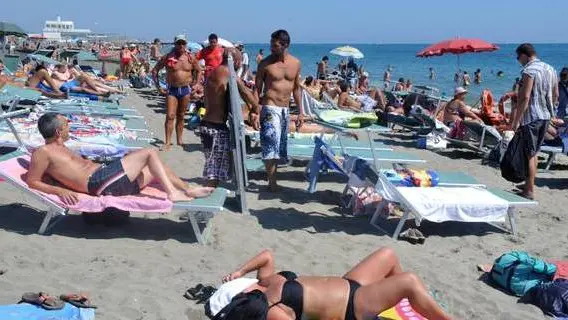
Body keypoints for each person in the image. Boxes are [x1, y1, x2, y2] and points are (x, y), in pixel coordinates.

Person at [26, 113, 214, 205]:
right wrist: (58, 190)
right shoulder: (42, 152)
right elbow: (32, 181)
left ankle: (188, 189)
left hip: (107, 178)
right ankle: (173, 193)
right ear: (58, 131)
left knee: (153, 166)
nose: (70, 127)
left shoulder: (61, 147)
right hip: (98, 183)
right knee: (149, 152)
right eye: (66, 125)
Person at [213, 248, 452, 320]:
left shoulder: (263, 282)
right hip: (351, 308)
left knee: (388, 255)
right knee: (408, 281)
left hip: (349, 284)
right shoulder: (272, 311)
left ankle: (396, 307)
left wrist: (239, 271)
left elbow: (267, 255)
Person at [200, 49, 258, 187]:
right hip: (216, 127)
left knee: (214, 166)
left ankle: (211, 190)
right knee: (214, 169)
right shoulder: (228, 72)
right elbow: (246, 93)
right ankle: (209, 196)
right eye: (240, 62)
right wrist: (256, 109)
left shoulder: (215, 71)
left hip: (207, 124)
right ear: (236, 61)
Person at [255, 29, 303, 192]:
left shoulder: (296, 63)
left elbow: (296, 88)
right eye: (271, 44)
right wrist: (255, 110)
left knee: (279, 148)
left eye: (274, 45)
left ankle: (272, 180)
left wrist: (301, 112)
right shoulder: (265, 64)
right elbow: (256, 90)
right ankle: (272, 182)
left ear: (285, 45)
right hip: (269, 107)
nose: (271, 48)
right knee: (270, 145)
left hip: (285, 110)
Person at [508, 43, 558, 200]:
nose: (518, 61)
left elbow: (525, 97)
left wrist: (516, 121)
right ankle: (529, 183)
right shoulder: (551, 69)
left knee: (530, 154)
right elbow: (555, 94)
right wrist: (551, 112)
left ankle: (529, 191)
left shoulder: (529, 70)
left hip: (532, 117)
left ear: (524, 55)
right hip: (545, 117)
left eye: (518, 57)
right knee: (534, 152)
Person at [152, 35, 201, 151]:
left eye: (183, 43)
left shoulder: (190, 58)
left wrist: (197, 84)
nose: (181, 46)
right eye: (179, 43)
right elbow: (155, 71)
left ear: (186, 44)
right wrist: (158, 87)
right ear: (175, 44)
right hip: (172, 90)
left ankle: (179, 141)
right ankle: (167, 142)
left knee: (181, 115)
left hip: (185, 90)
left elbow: (199, 71)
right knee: (170, 116)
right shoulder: (168, 57)